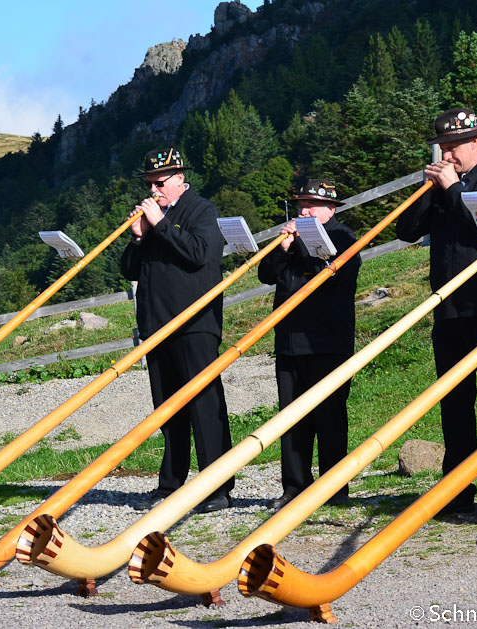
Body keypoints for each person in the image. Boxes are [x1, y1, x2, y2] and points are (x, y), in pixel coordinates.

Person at [396, 108, 477, 522]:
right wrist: (428, 191)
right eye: (442, 148)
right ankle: (457, 488)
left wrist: (453, 190)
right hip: (449, 309)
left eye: (452, 147)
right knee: (455, 403)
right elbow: (406, 231)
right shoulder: (440, 184)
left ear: (474, 142)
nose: (446, 155)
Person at [120, 147, 234, 514]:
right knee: (166, 409)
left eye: (160, 183)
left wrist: (162, 226)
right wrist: (138, 236)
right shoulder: (153, 220)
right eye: (150, 183)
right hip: (156, 325)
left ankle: (217, 487)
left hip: (194, 323)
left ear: (180, 179)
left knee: (204, 404)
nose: (154, 190)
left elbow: (201, 254)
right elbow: (129, 269)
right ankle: (171, 482)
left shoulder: (201, 209)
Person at [258, 179, 360, 511]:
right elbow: (265, 273)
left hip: (327, 342)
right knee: (291, 420)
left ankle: (335, 486)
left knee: (330, 417)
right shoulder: (291, 240)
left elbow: (328, 274)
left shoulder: (344, 238)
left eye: (311, 205)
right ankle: (294, 486)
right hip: (289, 341)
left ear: (330, 210)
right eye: (301, 204)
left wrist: (301, 245)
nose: (304, 210)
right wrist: (283, 247)